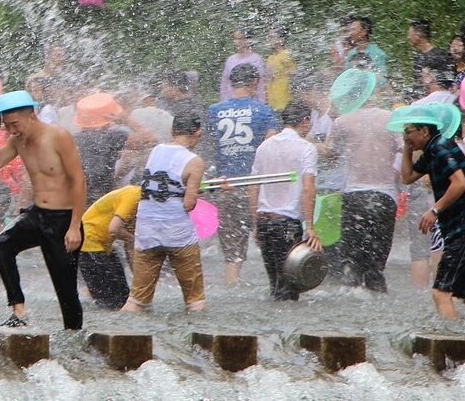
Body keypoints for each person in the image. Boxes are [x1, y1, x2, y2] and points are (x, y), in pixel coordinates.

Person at [0, 91, 86, 329]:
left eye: (14, 124)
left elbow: (79, 181)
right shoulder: (18, 141)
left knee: (66, 290)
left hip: (63, 219)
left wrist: (74, 227)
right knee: (2, 244)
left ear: (31, 116)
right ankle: (18, 312)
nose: (11, 131)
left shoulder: (58, 136)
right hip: (37, 214)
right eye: (7, 126)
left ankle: (74, 337)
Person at [397, 105, 465, 320]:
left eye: (409, 131)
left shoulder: (440, 149)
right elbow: (407, 177)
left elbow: (460, 184)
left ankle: (451, 343)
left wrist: (434, 210)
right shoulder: (431, 151)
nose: (406, 135)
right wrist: (407, 147)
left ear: (424, 131)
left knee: (441, 293)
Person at [122, 112, 206, 312]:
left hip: (147, 231)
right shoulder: (194, 161)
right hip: (177, 233)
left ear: (172, 131)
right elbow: (188, 204)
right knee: (195, 301)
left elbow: (161, 184)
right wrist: (194, 192)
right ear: (198, 133)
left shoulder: (157, 150)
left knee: (137, 301)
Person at [325, 76, 400, 292]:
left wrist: (311, 144)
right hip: (384, 196)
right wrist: (395, 172)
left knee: (351, 261)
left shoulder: (341, 122)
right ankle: (378, 305)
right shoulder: (391, 118)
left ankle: (351, 305)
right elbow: (406, 151)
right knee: (376, 265)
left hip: (353, 196)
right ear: (372, 92)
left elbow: (331, 155)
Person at [206, 63, 278, 284]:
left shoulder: (214, 111)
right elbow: (271, 149)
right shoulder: (264, 111)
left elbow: (210, 147)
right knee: (271, 245)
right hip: (256, 189)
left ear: (231, 83)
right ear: (254, 83)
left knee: (232, 254)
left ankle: (231, 282)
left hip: (226, 186)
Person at [248, 101, 321, 301]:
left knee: (275, 284)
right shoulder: (306, 148)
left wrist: (255, 224)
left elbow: (253, 187)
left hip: (264, 222)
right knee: (290, 286)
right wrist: (310, 226)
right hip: (287, 224)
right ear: (305, 121)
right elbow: (308, 188)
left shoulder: (264, 146)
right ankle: (286, 330)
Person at [78, 185, 140, 309]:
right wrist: (133, 238)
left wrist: (138, 281)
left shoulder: (139, 205)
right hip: (88, 245)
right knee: (110, 303)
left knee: (124, 298)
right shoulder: (133, 196)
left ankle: (88, 291)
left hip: (103, 247)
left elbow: (129, 246)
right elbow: (114, 229)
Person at [72, 93, 134, 204]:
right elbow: (151, 139)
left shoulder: (71, 140)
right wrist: (126, 120)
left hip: (75, 202)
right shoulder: (113, 137)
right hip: (103, 200)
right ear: (108, 119)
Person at [219, 29, 266, 102]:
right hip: (231, 101)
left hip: (250, 101)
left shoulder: (256, 59)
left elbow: (260, 83)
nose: (237, 42)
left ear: (247, 40)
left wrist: (261, 101)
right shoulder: (230, 60)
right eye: (235, 39)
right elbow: (224, 83)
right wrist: (223, 101)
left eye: (240, 39)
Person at [264, 27, 295, 111]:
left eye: (272, 37)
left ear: (282, 39)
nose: (268, 40)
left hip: (285, 102)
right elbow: (268, 80)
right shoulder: (270, 58)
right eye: (268, 37)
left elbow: (294, 75)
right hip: (272, 104)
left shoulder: (286, 55)